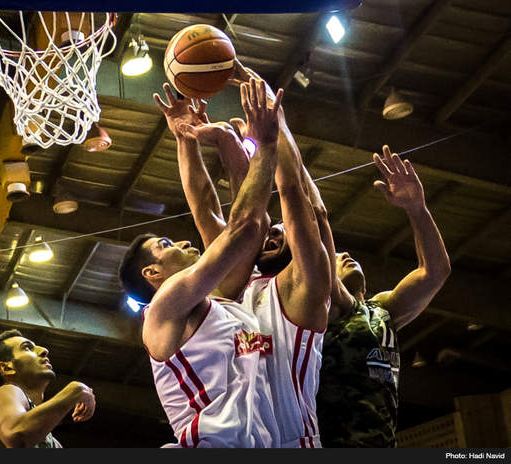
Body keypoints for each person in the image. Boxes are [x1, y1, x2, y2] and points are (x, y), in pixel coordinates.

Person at [145, 72, 333, 447]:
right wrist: (264, 140)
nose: (273, 232)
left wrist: (199, 140)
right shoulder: (212, 296)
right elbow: (240, 221)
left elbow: (270, 209)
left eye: (281, 232)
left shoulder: (297, 288)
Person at [119, 79, 288, 447]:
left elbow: (211, 211)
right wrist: (265, 146)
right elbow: (244, 225)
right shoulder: (164, 309)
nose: (183, 242)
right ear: (152, 273)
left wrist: (186, 138)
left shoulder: (219, 297)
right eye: (166, 245)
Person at [315, 145, 451, 447]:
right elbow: (316, 221)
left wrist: (417, 209)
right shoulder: (325, 309)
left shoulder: (382, 310)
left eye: (345, 254)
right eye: (336, 257)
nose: (345, 255)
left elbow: (435, 272)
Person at [0, 329, 96, 448]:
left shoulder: (51, 441)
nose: (44, 350)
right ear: (7, 368)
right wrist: (76, 390)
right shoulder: (6, 391)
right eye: (27, 348)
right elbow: (17, 436)